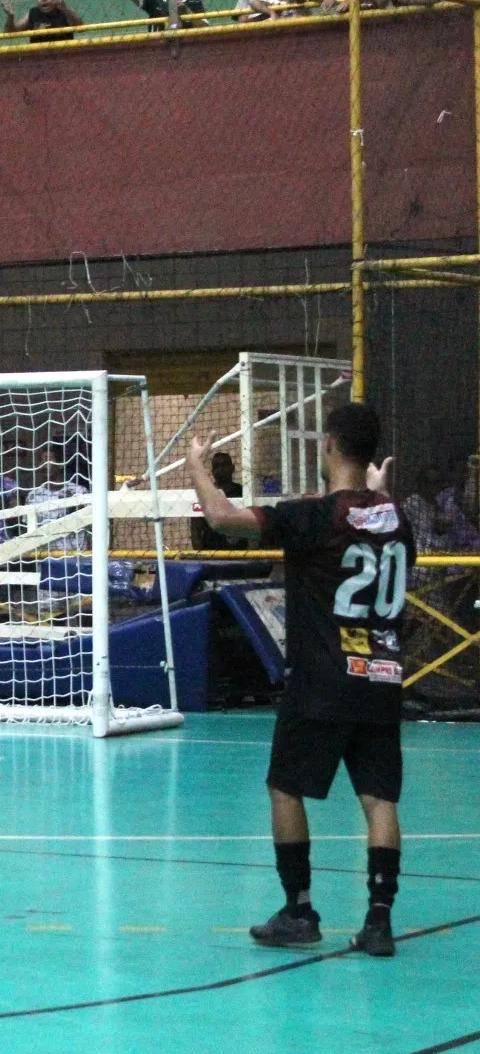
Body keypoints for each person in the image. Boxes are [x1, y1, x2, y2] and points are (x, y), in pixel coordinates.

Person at [187, 404, 411, 958]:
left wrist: (196, 467)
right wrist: (380, 492)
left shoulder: (312, 516)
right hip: (382, 676)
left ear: (329, 445)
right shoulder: (398, 519)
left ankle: (299, 909)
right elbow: (373, 518)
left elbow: (221, 517)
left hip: (323, 681)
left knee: (285, 787)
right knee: (379, 800)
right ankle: (379, 922)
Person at [191, 451, 246, 551]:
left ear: (233, 468)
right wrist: (199, 555)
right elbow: (195, 529)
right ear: (212, 471)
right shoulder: (204, 494)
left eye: (225, 465)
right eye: (217, 466)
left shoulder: (243, 492)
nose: (221, 469)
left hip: (239, 551)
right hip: (212, 552)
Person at [1, 0, 84, 42]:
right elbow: (10, 32)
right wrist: (10, 16)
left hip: (63, 56)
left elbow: (81, 28)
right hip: (38, 57)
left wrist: (65, 8)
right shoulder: (33, 13)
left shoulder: (65, 12)